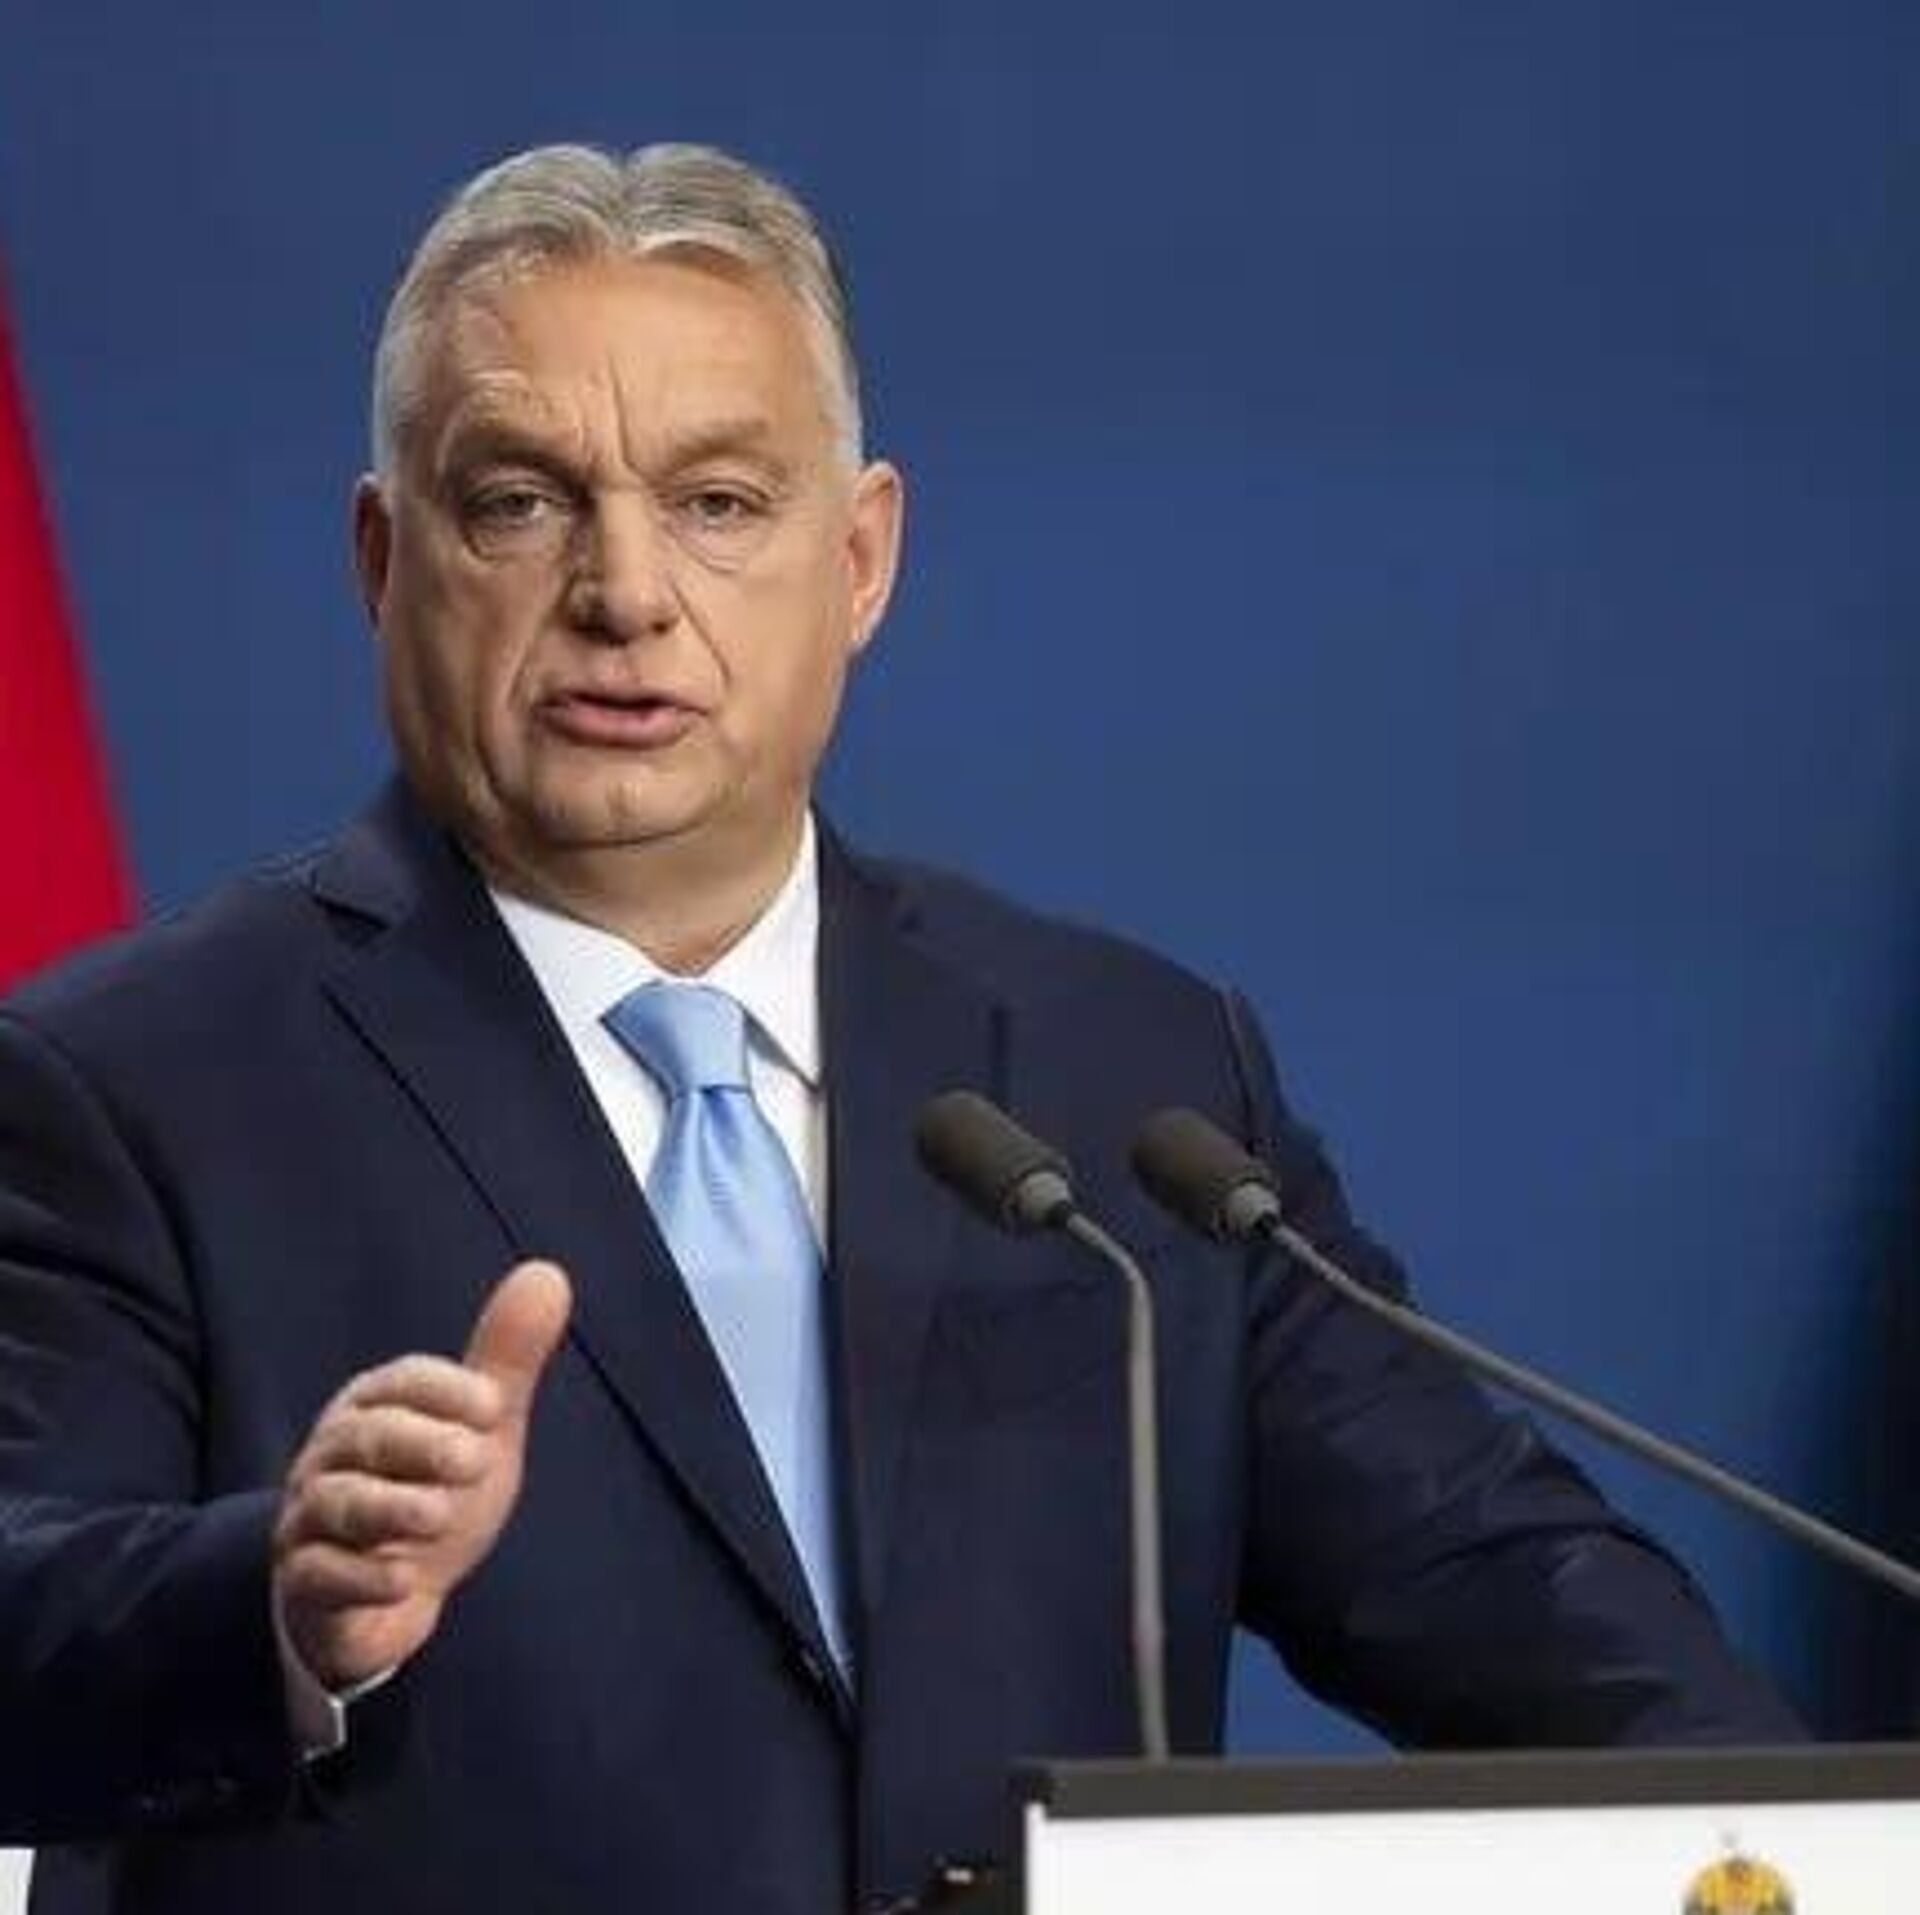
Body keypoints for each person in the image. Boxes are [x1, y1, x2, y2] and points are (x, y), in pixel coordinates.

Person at [0, 142, 1797, 1915]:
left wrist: (1813, 1851)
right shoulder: (133, 1083)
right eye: (522, 502)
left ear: (861, 559)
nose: (625, 593)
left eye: (717, 503)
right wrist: (277, 1603)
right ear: (385, 559)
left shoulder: (1131, 1085)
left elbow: (1503, 1591)